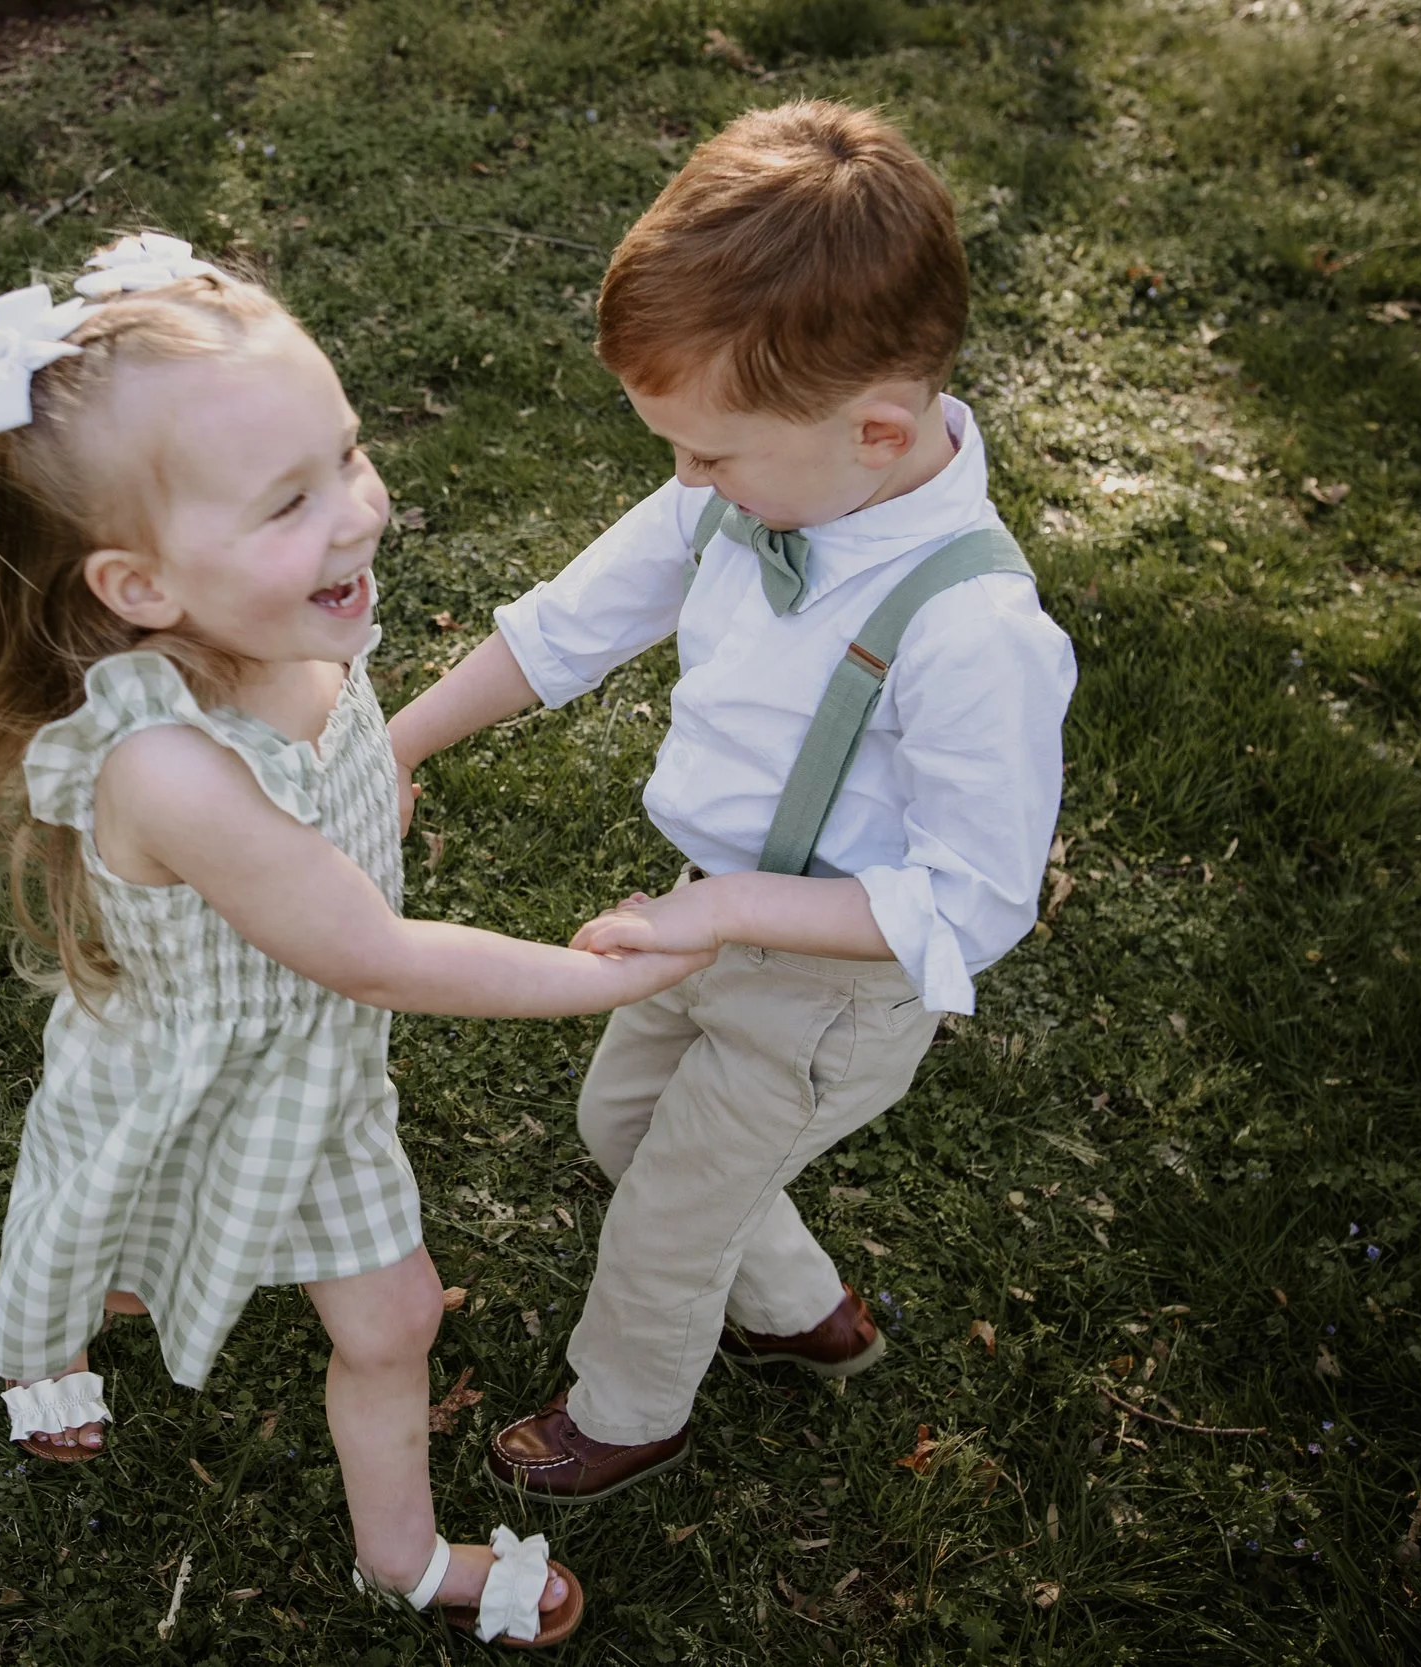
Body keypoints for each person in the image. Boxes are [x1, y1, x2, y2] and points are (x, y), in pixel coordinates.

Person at [0, 234, 708, 1644]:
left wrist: (373, 763)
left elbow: (336, 772)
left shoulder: (298, 617)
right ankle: (57, 1359)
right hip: (204, 1058)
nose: (356, 513)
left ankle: (390, 1548)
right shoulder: (172, 771)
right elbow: (375, 954)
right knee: (118, 1228)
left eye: (344, 454)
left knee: (362, 1304)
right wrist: (595, 979)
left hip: (308, 1067)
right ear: (141, 588)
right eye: (289, 498)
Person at [388, 103, 1078, 1504]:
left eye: (710, 455)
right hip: (704, 916)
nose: (685, 482)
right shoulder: (746, 491)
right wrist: (402, 740)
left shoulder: (975, 630)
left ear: (878, 430)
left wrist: (733, 913)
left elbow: (975, 898)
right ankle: (800, 1305)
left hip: (831, 983)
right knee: (620, 1126)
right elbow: (569, 625)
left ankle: (629, 1408)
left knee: (664, 1211)